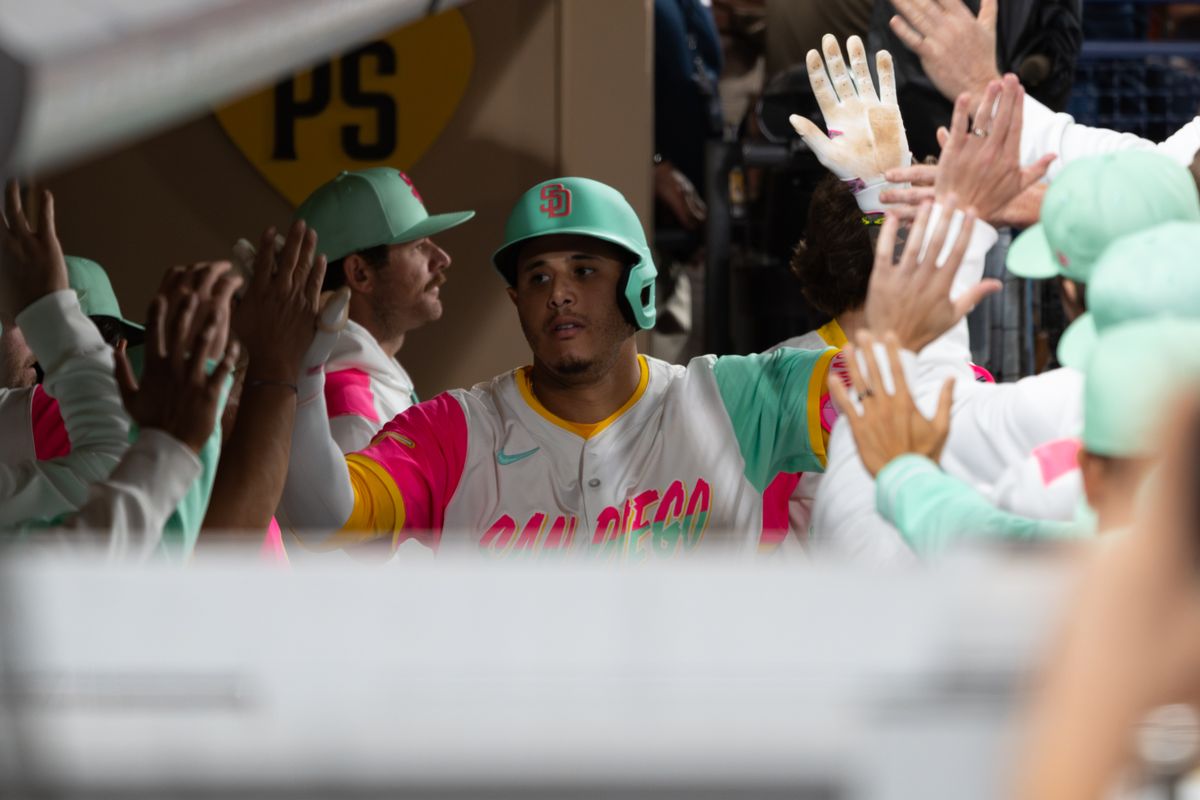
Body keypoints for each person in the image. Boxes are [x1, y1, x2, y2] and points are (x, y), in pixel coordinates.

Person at [276, 176, 878, 558]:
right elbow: (323, 518)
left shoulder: (735, 398)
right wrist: (300, 376)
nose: (559, 294)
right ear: (516, 300)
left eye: (584, 270)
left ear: (638, 285)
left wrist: (883, 213)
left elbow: (908, 389)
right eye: (538, 277)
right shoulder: (455, 431)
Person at [293, 167, 474, 453]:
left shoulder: (377, 380)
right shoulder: (351, 409)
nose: (442, 258)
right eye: (418, 246)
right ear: (360, 273)